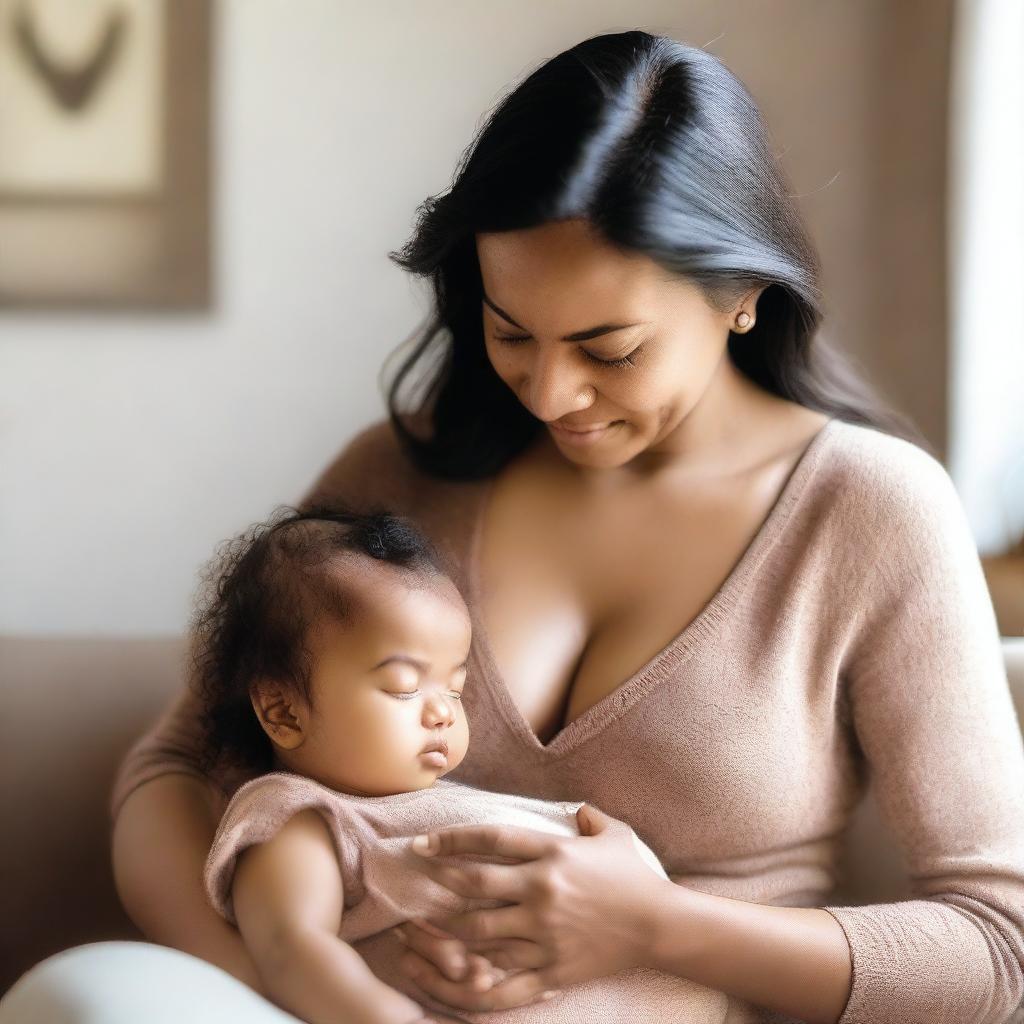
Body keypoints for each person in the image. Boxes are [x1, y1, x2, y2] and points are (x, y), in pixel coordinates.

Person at [4, 27, 1023, 1024]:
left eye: (608, 347)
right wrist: (282, 974)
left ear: (742, 298)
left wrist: (657, 926)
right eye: (509, 332)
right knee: (82, 994)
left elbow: (997, 944)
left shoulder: (869, 510)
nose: (549, 391)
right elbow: (177, 762)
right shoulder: (399, 474)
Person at [190, 503, 691, 1024]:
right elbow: (292, 947)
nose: (442, 714)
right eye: (405, 689)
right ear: (283, 711)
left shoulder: (436, 804)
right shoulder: (298, 815)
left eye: (455, 689)